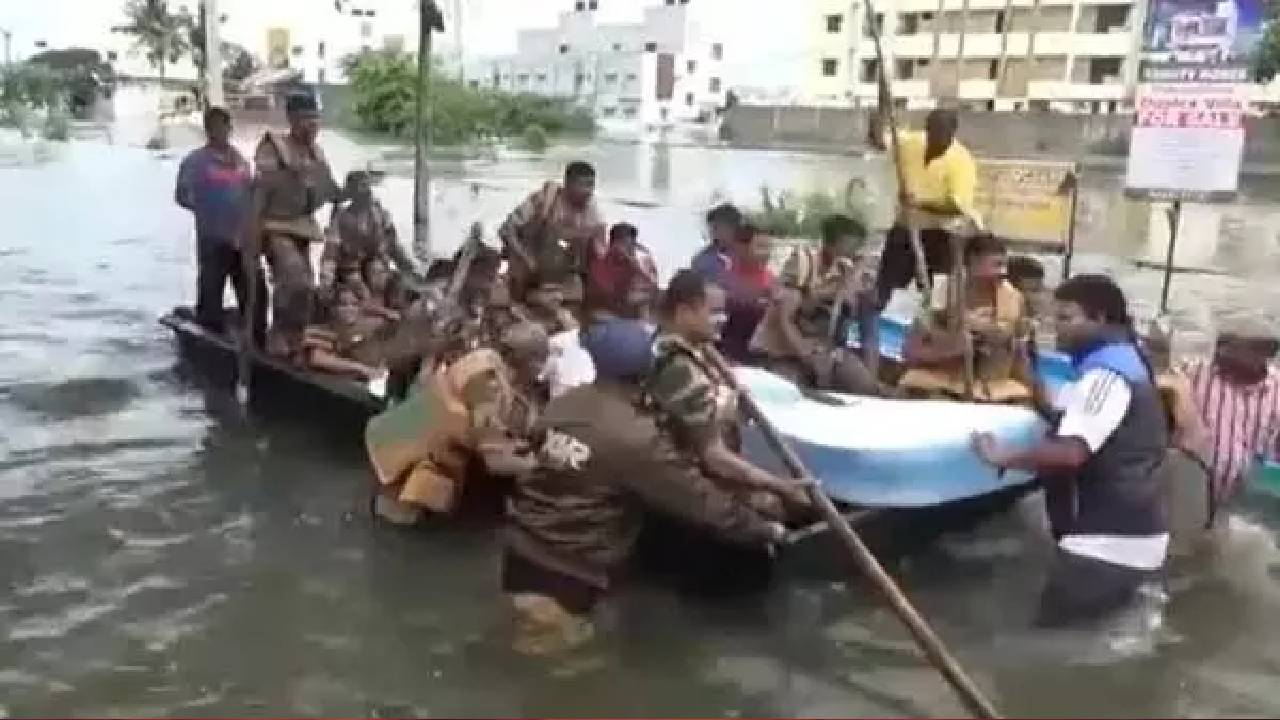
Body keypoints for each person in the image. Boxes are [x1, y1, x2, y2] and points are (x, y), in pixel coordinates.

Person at [502, 322, 787, 656]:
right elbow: (701, 502)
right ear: (645, 372)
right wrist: (767, 530)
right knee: (569, 673)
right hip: (571, 572)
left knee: (533, 648)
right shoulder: (636, 437)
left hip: (521, 551)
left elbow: (545, 454)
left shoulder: (564, 404)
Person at [971, 274, 1169, 627]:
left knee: (1045, 647)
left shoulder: (1106, 376)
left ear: (1101, 319)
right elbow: (1089, 428)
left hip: (1105, 542)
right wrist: (1032, 383)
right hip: (1129, 535)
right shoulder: (1128, 361)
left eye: (1066, 319)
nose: (1056, 330)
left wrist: (1003, 456)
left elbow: (1072, 453)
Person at [649, 270, 809, 515]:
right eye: (713, 312)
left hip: (708, 463)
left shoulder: (688, 347)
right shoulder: (678, 366)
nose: (723, 319)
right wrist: (779, 486)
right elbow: (712, 455)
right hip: (691, 477)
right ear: (683, 313)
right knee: (776, 508)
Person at [365, 321, 551, 524]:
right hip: (413, 474)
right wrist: (541, 466)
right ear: (532, 363)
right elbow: (494, 463)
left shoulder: (484, 358)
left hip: (394, 443)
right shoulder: (490, 387)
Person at [247, 92, 341, 361]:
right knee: (294, 278)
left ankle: (296, 338)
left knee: (305, 287)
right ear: (291, 119)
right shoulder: (274, 148)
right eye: (305, 119)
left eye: (315, 119)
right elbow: (260, 194)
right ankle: (278, 336)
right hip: (275, 225)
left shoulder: (317, 153)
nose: (312, 126)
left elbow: (328, 188)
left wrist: (348, 192)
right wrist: (251, 236)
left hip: (303, 227)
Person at [749, 214, 880, 394]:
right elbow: (785, 315)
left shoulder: (846, 268)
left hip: (822, 347)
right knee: (788, 390)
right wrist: (806, 354)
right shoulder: (802, 261)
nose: (856, 249)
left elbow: (853, 309)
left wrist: (856, 280)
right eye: (851, 244)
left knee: (863, 384)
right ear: (833, 242)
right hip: (782, 349)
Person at [868, 103, 980, 311]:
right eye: (931, 130)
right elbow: (879, 141)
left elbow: (957, 206)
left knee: (936, 298)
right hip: (905, 229)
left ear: (952, 133)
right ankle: (878, 326)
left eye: (940, 132)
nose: (934, 137)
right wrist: (879, 114)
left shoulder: (962, 161)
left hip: (941, 235)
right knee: (885, 288)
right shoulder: (912, 142)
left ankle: (934, 334)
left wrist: (920, 203)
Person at [898, 233, 1034, 403]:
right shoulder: (940, 295)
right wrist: (950, 350)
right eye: (996, 265)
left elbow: (1021, 358)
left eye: (1004, 265)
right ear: (973, 262)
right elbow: (910, 351)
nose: (1003, 273)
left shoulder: (1014, 299)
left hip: (992, 393)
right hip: (943, 387)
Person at [174, 106, 264, 337]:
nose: (219, 131)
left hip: (242, 238)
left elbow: (254, 194)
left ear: (229, 128)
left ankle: (255, 337)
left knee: (253, 290)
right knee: (211, 289)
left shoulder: (242, 161)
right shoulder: (195, 161)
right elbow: (181, 196)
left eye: (223, 126)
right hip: (213, 237)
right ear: (207, 130)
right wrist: (204, 209)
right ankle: (207, 333)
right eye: (214, 127)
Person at [1179, 318, 1280, 522]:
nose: (1220, 354)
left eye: (1232, 349)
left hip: (1249, 509)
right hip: (1195, 498)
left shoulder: (1277, 391)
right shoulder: (1193, 376)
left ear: (1264, 354)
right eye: (1220, 347)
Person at [497, 161, 606, 301]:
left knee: (586, 240)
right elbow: (506, 230)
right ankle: (521, 295)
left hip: (563, 265)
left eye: (591, 185)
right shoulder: (544, 200)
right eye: (582, 185)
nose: (587, 191)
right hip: (530, 260)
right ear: (567, 184)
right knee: (553, 234)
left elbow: (601, 249)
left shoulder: (592, 210)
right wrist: (525, 257)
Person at [321, 170, 415, 287]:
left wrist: (410, 271)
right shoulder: (340, 219)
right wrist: (326, 280)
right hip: (349, 273)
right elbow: (330, 253)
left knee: (396, 281)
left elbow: (395, 247)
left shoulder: (380, 214)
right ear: (351, 191)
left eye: (367, 186)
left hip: (378, 269)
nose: (367, 191)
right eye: (362, 186)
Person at [303, 283, 388, 382]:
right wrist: (362, 368)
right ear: (332, 308)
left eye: (354, 304)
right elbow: (317, 359)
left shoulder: (357, 331)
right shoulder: (321, 330)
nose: (349, 309)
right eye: (344, 304)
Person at [719, 223, 775, 363]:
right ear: (740, 248)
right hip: (730, 357)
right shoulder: (725, 280)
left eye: (769, 248)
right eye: (761, 247)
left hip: (765, 357)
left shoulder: (772, 280)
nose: (767, 253)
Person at [586, 222, 659, 316]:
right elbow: (606, 294)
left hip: (637, 312)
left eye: (632, 244)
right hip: (607, 312)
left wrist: (637, 267)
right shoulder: (601, 264)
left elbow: (652, 288)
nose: (628, 249)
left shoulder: (643, 261)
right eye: (624, 244)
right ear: (613, 245)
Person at [690, 203, 741, 288]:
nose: (712, 231)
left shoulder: (747, 256)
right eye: (712, 227)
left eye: (716, 227)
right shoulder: (701, 260)